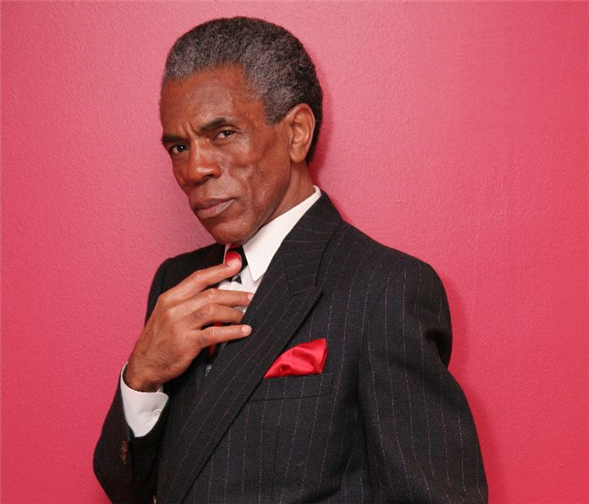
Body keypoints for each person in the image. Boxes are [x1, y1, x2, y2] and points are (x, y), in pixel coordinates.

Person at [94, 16, 487, 504]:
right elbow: (129, 489)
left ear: (297, 132)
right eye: (179, 146)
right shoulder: (176, 283)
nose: (195, 168)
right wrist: (141, 376)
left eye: (223, 133)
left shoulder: (385, 289)